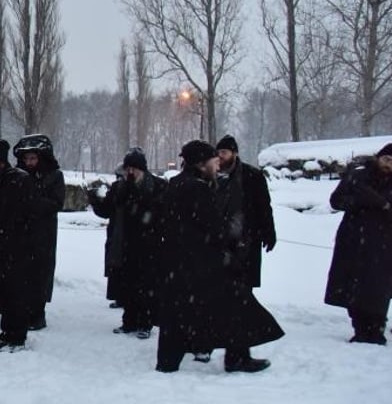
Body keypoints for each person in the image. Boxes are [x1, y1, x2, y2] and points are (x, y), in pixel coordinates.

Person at [157, 141, 282, 373]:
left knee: (178, 313)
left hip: (180, 264)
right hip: (203, 263)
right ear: (202, 163)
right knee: (237, 306)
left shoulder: (176, 184)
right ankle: (237, 357)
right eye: (214, 161)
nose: (217, 165)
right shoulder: (198, 189)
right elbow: (215, 228)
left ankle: (168, 361)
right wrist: (233, 234)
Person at [87, 148, 168, 339]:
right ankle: (129, 322)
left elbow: (164, 214)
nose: (130, 173)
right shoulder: (119, 188)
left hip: (149, 245)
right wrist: (95, 199)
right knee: (128, 286)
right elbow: (106, 210)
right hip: (124, 244)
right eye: (128, 169)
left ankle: (145, 323)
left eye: (134, 169)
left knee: (147, 287)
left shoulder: (157, 186)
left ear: (143, 169)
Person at [324, 143, 392, 345]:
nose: (388, 165)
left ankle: (375, 330)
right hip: (353, 240)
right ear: (378, 158)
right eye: (386, 160)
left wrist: (384, 205)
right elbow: (336, 201)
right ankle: (359, 328)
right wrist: (359, 202)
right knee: (353, 286)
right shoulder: (357, 176)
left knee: (378, 289)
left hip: (385, 244)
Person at [0, 140, 37, 351]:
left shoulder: (19, 180)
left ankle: (17, 336)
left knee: (16, 293)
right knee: (5, 293)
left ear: (1, 160)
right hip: (2, 246)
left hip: (18, 247)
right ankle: (7, 332)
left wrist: (16, 239)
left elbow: (25, 214)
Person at [15, 134, 65, 330]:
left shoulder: (54, 175)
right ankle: (23, 311)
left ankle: (38, 314)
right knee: (23, 273)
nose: (29, 162)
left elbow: (56, 203)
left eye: (33, 159)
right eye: (27, 159)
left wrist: (33, 202)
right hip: (23, 231)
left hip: (43, 232)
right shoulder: (20, 175)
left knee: (40, 273)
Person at [214, 135, 276, 290]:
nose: (221, 156)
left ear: (234, 154)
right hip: (220, 239)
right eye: (219, 152)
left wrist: (269, 232)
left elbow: (263, 206)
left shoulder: (251, 176)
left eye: (224, 152)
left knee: (244, 286)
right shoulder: (213, 175)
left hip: (246, 238)